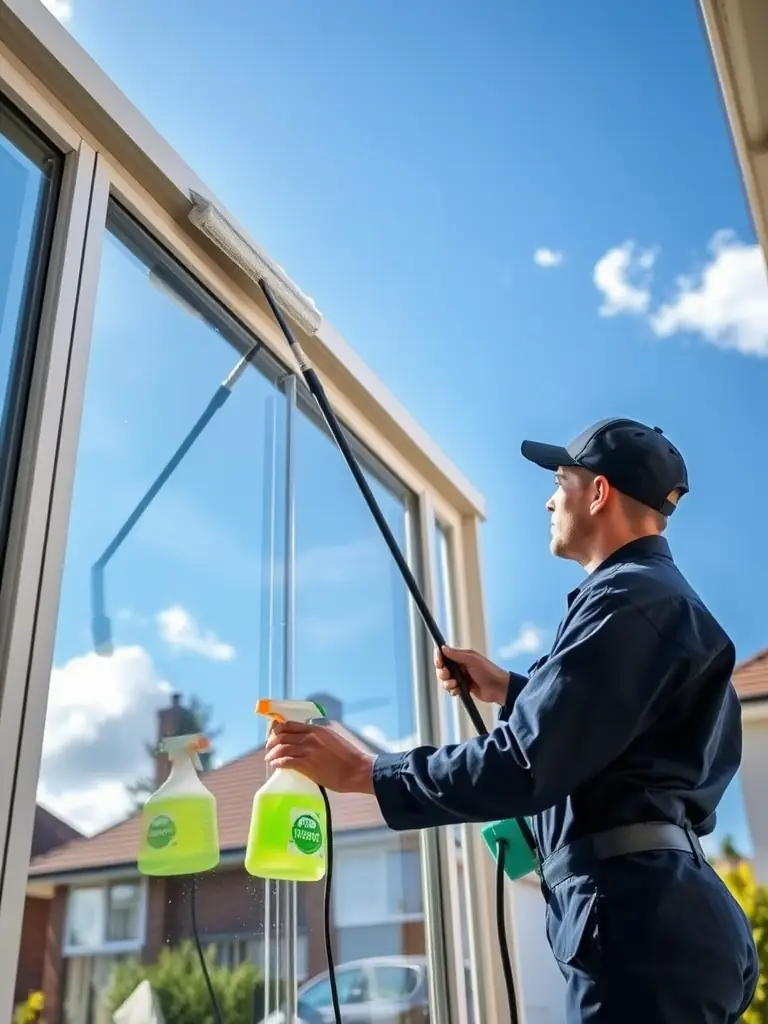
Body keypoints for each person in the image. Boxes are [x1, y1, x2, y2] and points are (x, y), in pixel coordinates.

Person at [266, 416, 759, 1023]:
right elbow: (627, 736)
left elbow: (524, 763)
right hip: (665, 918)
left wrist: (368, 771)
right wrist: (512, 690)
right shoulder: (657, 601)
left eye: (560, 480)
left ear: (598, 492)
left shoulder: (629, 603)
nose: (551, 499)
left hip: (639, 926)